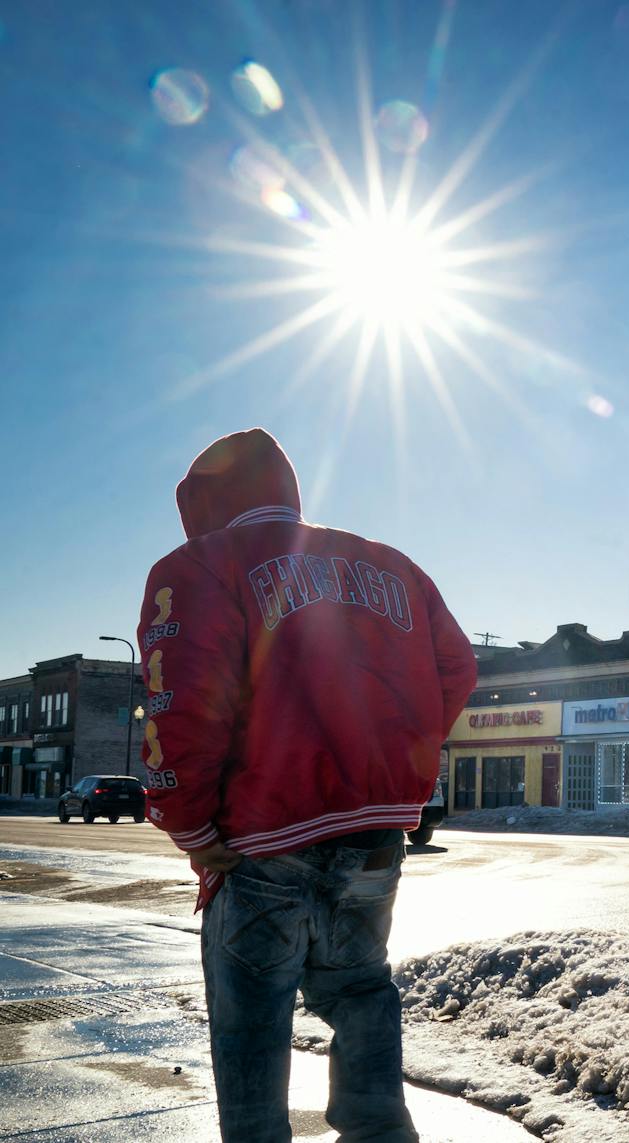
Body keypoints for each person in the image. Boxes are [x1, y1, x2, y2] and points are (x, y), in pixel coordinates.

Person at [136, 428, 477, 1143]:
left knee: (251, 1021)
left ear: (201, 503)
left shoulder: (196, 567)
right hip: (375, 832)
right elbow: (456, 668)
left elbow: (185, 703)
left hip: (261, 837)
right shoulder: (393, 565)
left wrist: (191, 827)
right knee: (360, 990)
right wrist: (395, 762)